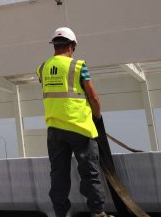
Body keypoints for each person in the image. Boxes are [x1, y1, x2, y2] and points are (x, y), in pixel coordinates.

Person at [36, 27, 112, 217]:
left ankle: (60, 213)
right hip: (80, 128)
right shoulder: (78, 66)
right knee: (90, 173)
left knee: (58, 175)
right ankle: (97, 212)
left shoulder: (42, 68)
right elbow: (93, 97)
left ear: (54, 45)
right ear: (71, 46)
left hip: (54, 130)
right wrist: (97, 118)